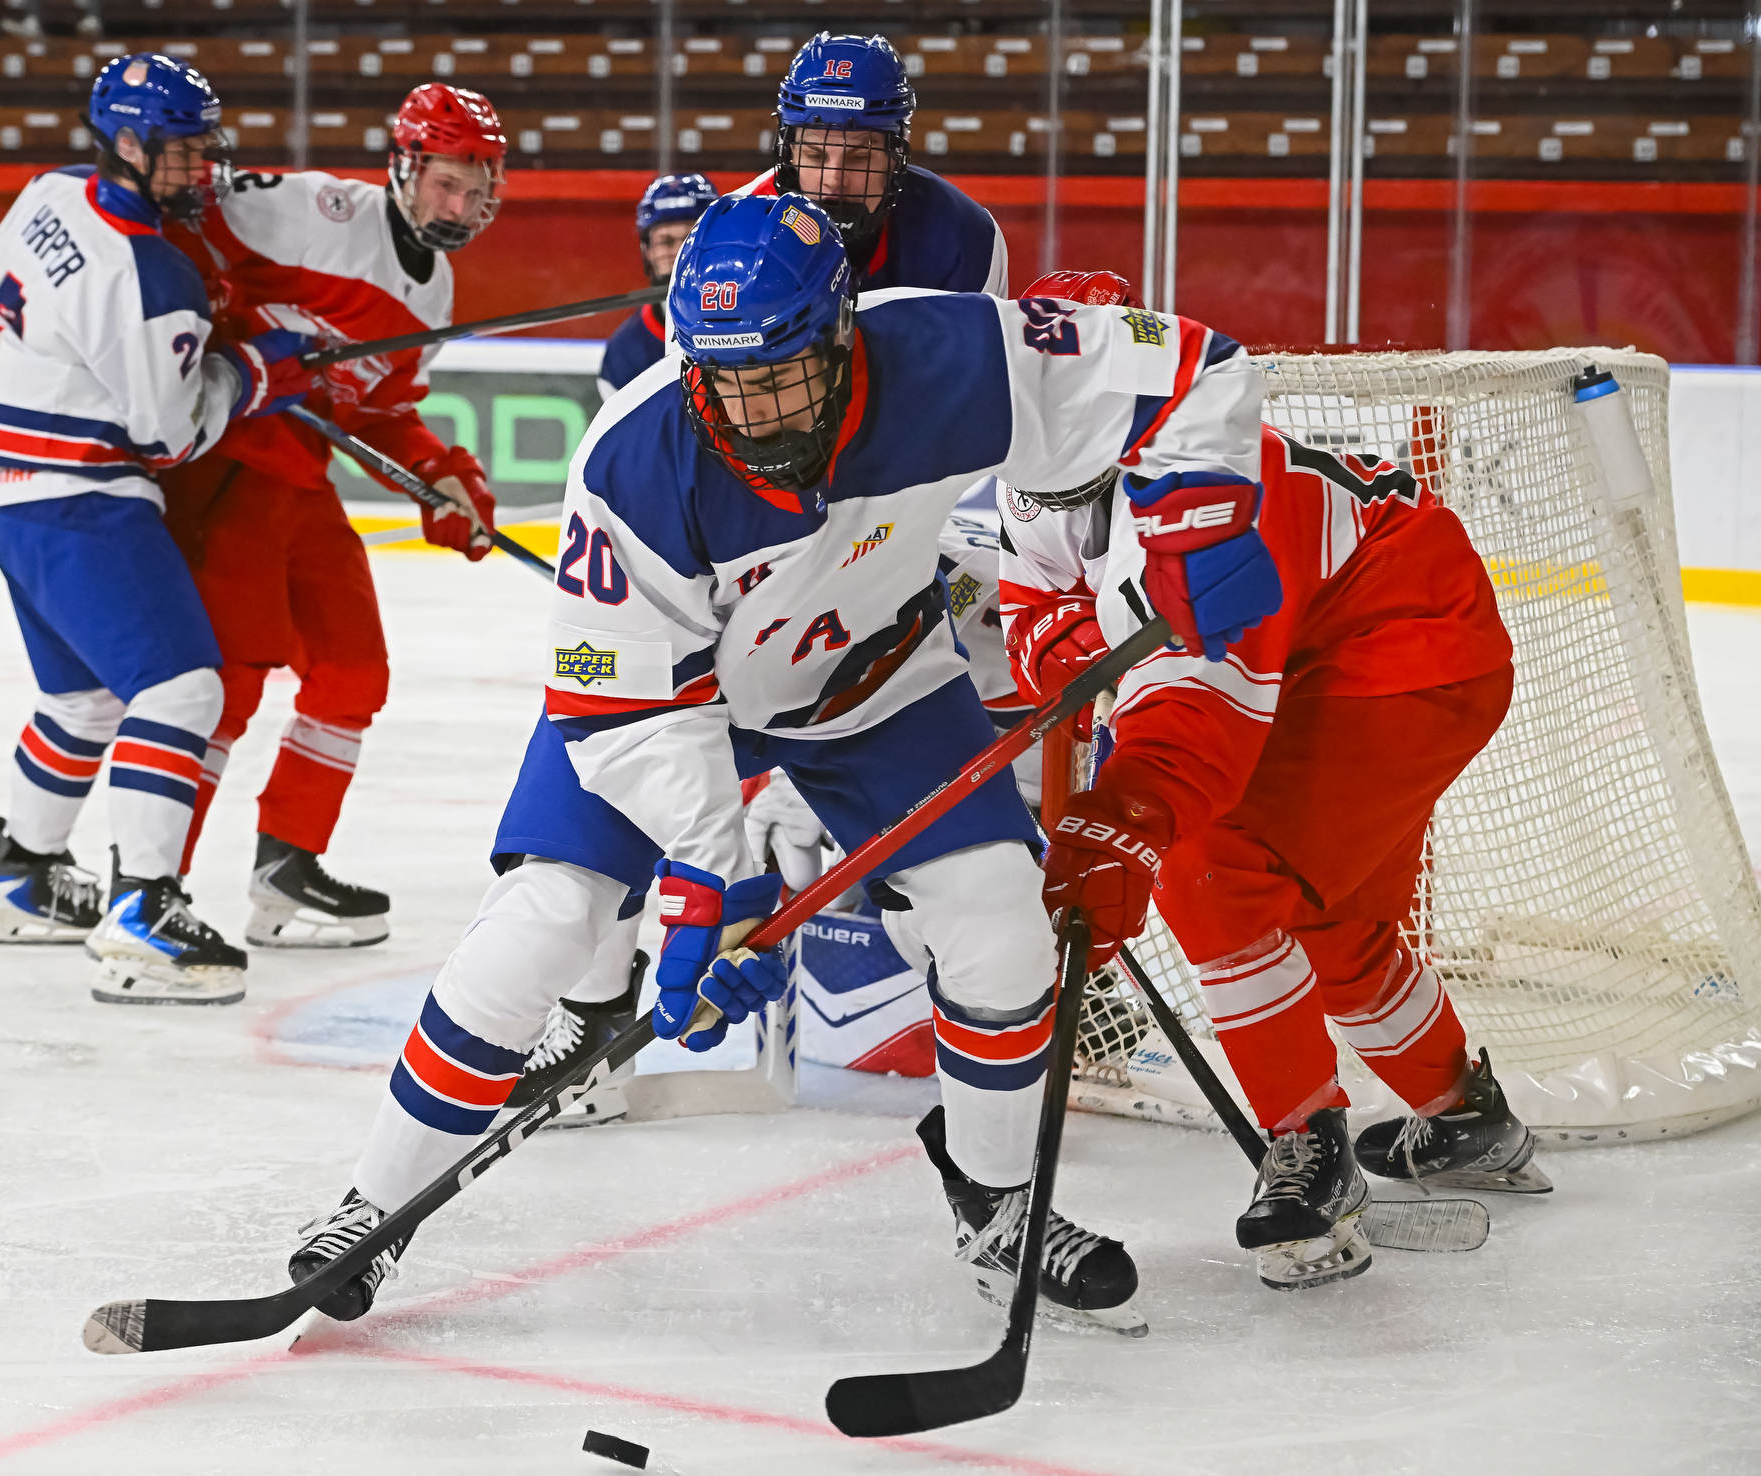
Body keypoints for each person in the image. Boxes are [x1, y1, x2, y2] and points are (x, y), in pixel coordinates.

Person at [285, 192, 1283, 1330]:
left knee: (999, 914)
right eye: (726, 381)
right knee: (544, 918)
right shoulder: (634, 459)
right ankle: (372, 1208)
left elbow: (1193, 368)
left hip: (872, 683)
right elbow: (623, 714)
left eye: (781, 376)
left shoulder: (948, 352)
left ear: (841, 332)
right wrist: (719, 879)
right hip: (667, 709)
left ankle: (999, 1204)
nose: (754, 413)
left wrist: (1201, 517)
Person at [1000, 269, 1547, 1292]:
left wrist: (1124, 823)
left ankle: (1307, 1146)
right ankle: (1466, 1118)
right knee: (1334, 922)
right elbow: (1032, 617)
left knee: (1211, 869)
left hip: (1406, 647)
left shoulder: (1201, 490)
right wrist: (1097, 659)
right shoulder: (1033, 469)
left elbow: (1200, 723)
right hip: (1324, 646)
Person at [508, 40, 1011, 1121]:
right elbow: (698, 448)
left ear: (899, 150)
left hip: (886, 551)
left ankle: (961, 980)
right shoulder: (735, 241)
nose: (835, 177)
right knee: (625, 785)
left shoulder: (963, 239)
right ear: (785, 141)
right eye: (816, 149)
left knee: (981, 729)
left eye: (862, 153)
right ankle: (596, 1014)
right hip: (755, 568)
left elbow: (977, 406)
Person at [0, 54, 314, 1005]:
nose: (199, 165)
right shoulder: (153, 273)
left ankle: (26, 881)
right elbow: (169, 435)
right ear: (125, 142)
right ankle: (144, 914)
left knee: (83, 702)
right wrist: (254, 373)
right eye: (180, 149)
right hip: (80, 492)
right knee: (182, 690)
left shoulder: (50, 191)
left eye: (202, 146)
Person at [159, 82, 503, 950]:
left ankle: (286, 871)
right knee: (227, 689)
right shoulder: (314, 211)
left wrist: (441, 476)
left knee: (352, 672)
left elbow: (380, 410)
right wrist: (222, 331)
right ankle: (154, 889)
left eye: (475, 190)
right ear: (405, 166)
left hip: (299, 481)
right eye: (446, 185)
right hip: (228, 464)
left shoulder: (435, 292)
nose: (458, 207)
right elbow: (179, 223)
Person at [736, 31, 1006, 296]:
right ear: (790, 153)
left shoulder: (963, 236)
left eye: (859, 158)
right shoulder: (736, 231)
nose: (833, 179)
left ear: (895, 157)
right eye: (815, 156)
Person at [597, 172, 718, 400]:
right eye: (666, 241)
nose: (680, 253)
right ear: (647, 250)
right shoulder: (624, 353)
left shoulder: (752, 319)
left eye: (690, 238)